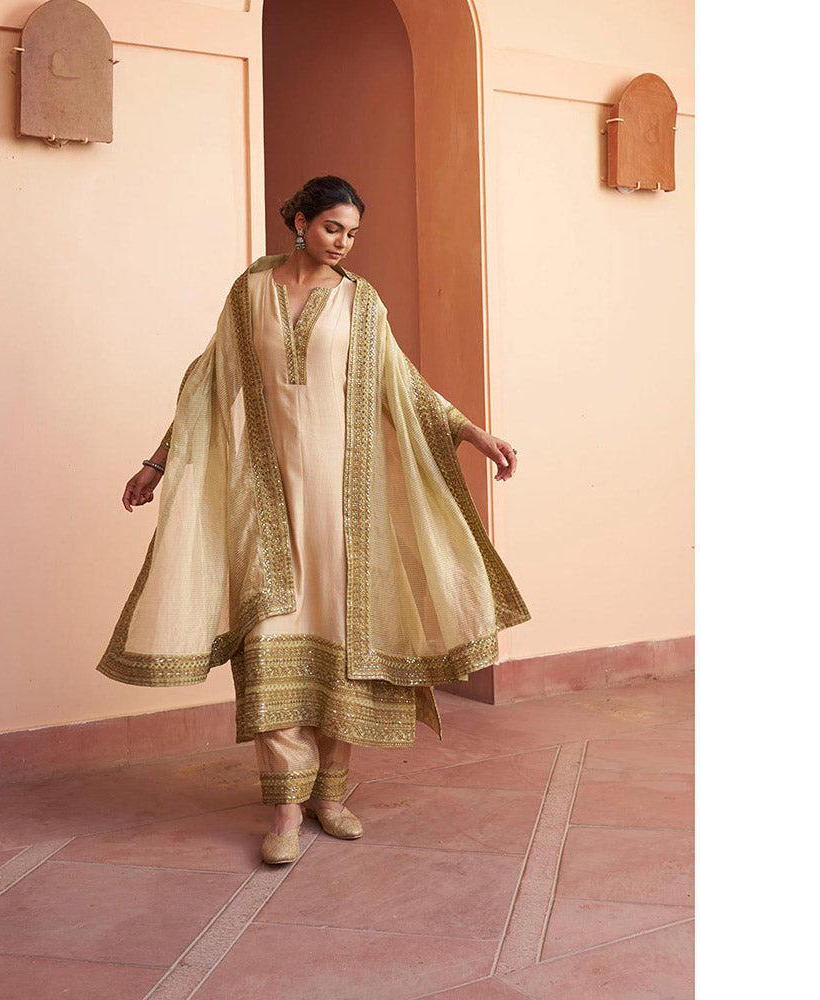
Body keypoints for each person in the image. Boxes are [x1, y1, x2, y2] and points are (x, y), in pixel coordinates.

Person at [97, 175, 530, 864]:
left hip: (347, 511)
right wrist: (157, 462)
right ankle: (285, 812)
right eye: (333, 227)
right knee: (268, 641)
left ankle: (329, 795)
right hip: (266, 504)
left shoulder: (362, 302)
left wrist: (474, 432)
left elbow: (404, 384)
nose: (344, 243)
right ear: (299, 221)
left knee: (344, 643)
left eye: (353, 233)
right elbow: (210, 386)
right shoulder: (249, 295)